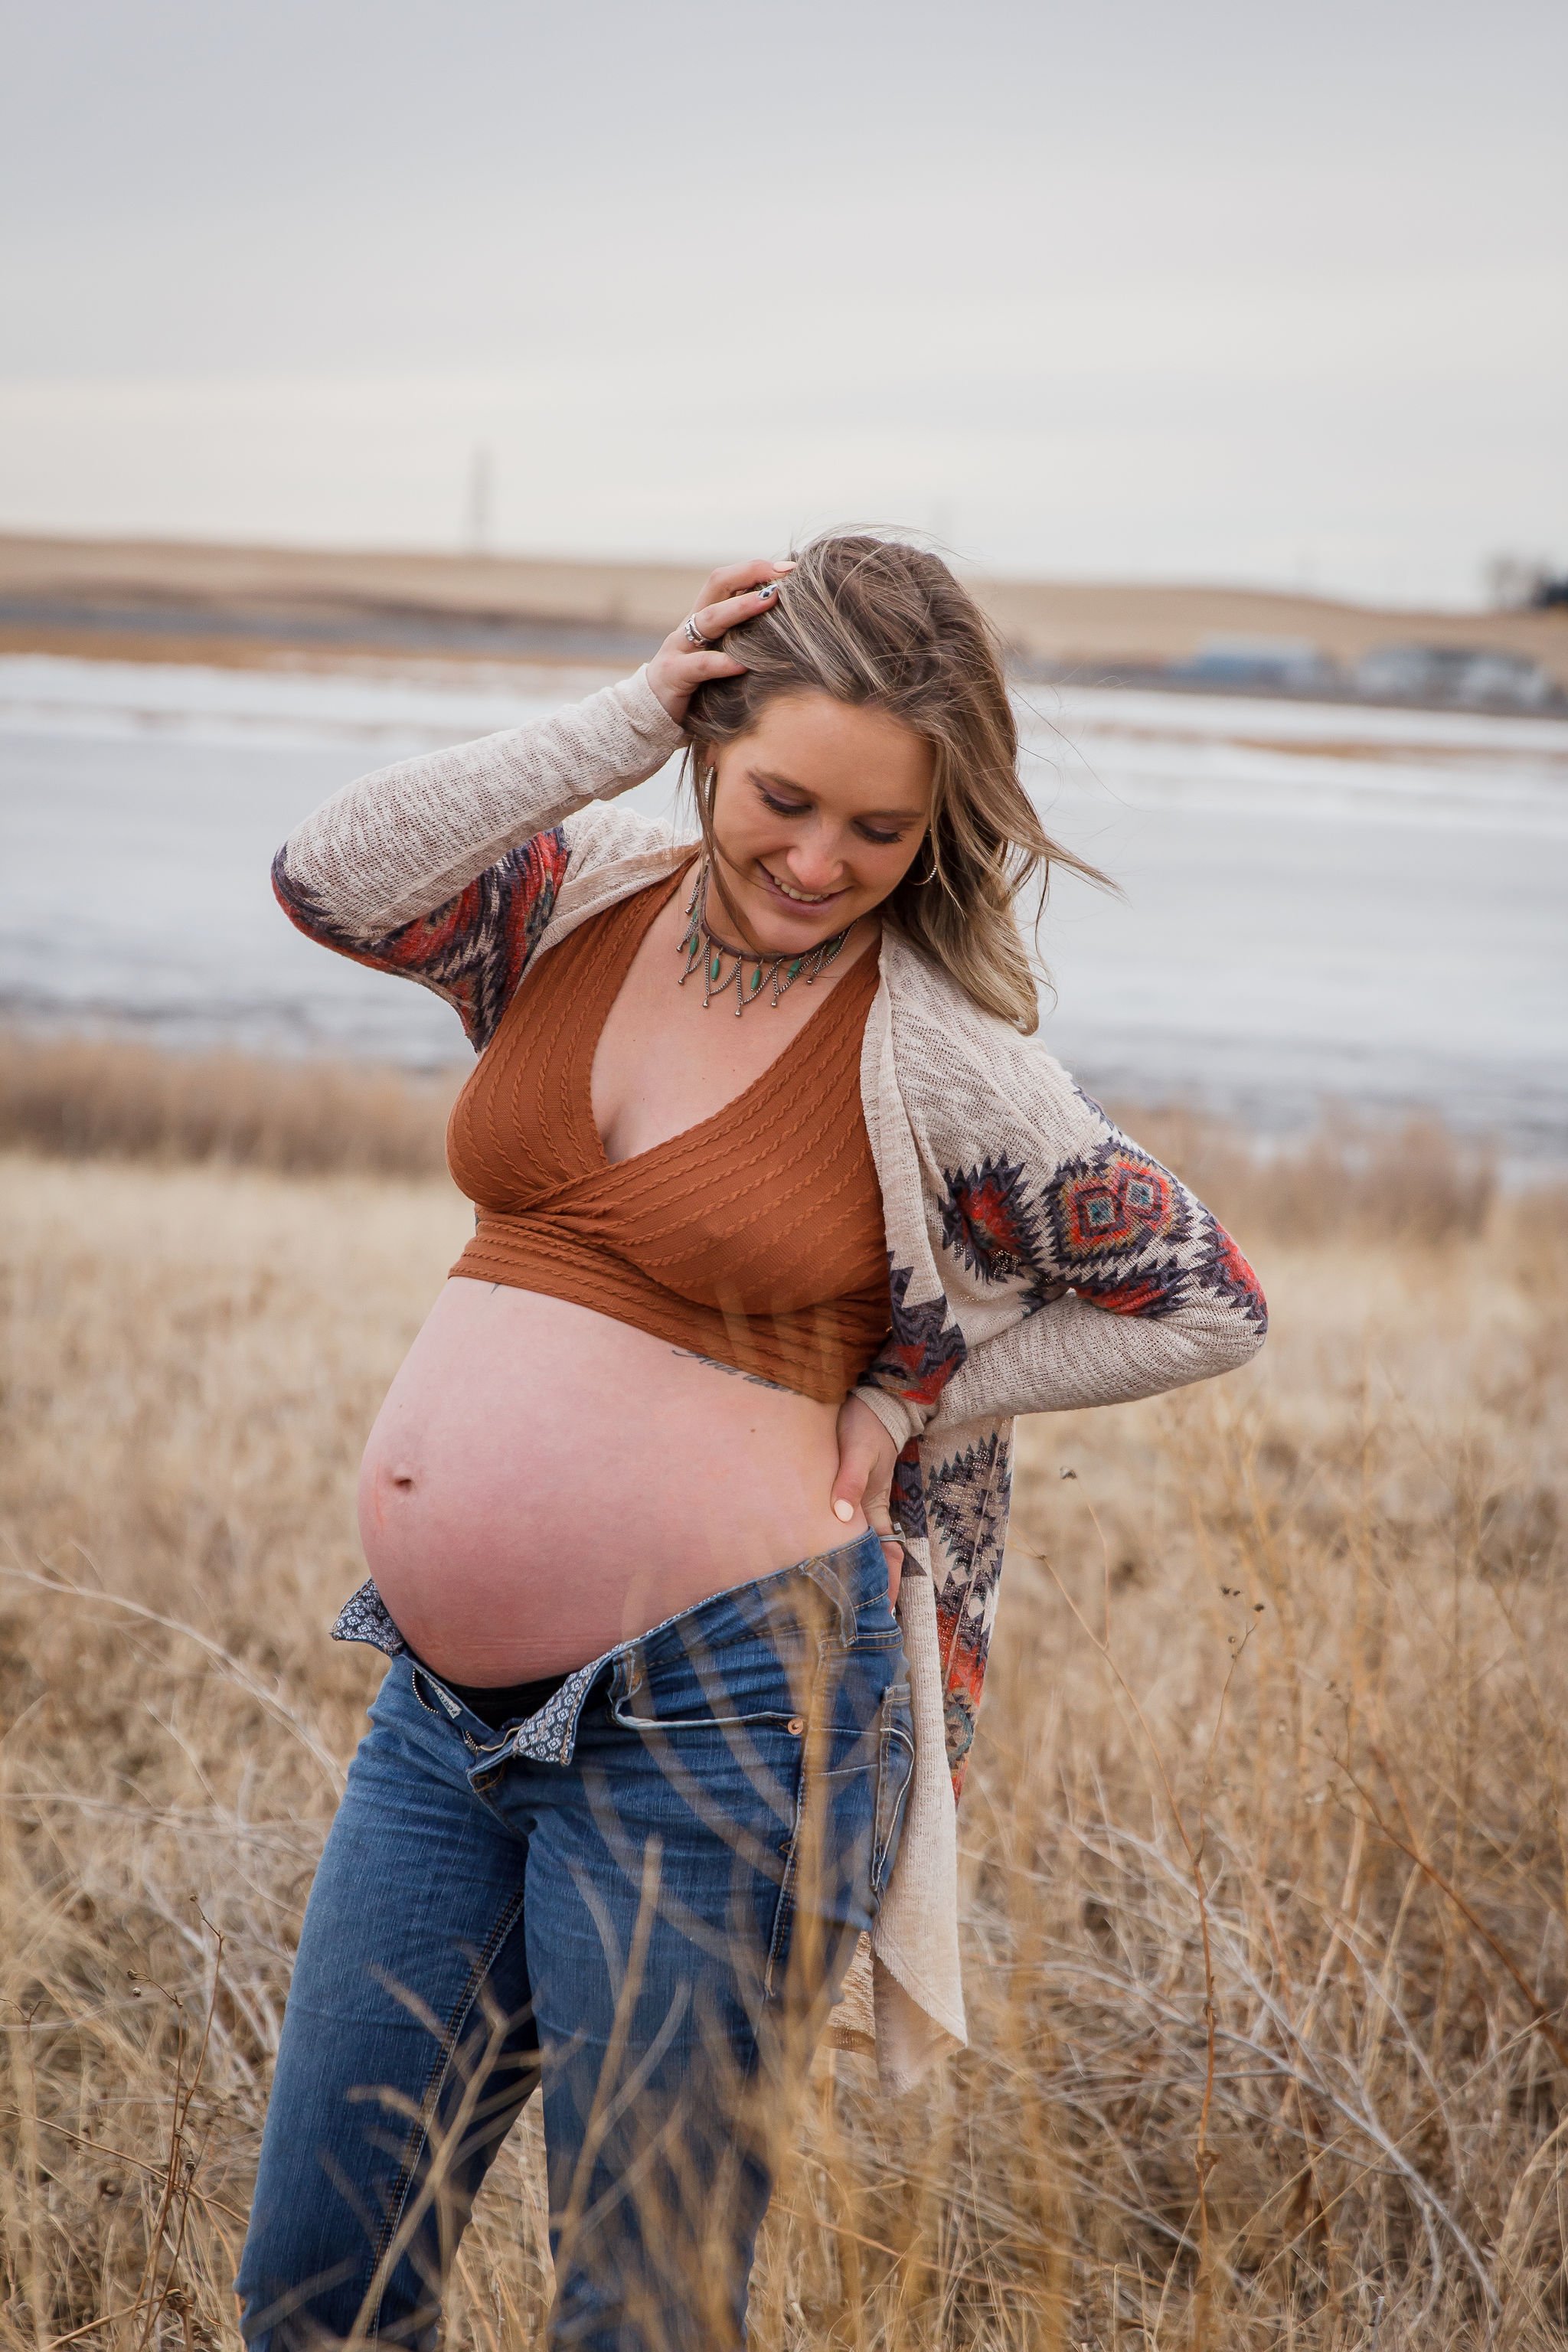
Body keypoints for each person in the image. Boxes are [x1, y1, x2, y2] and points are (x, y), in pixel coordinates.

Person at [237, 534, 1267, 2350]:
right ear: (712, 741)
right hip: (438, 1709)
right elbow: (327, 880)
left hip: (722, 1716)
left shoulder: (937, 1054)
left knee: (640, 2305)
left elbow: (1202, 1298)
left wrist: (913, 1388)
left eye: (879, 833)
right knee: (319, 2283)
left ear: (937, 835)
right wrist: (617, 724)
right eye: (783, 798)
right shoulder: (572, 901)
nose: (818, 862)